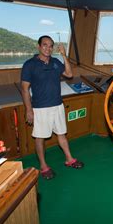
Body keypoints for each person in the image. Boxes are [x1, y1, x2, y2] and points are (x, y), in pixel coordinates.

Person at [21, 35, 84, 180]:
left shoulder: (55, 62)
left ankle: (69, 159)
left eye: (50, 46)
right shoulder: (30, 64)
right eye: (45, 45)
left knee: (61, 133)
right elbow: (25, 89)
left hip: (57, 105)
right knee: (40, 137)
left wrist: (63, 55)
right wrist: (29, 110)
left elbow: (69, 74)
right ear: (38, 46)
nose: (48, 48)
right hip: (41, 107)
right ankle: (43, 166)